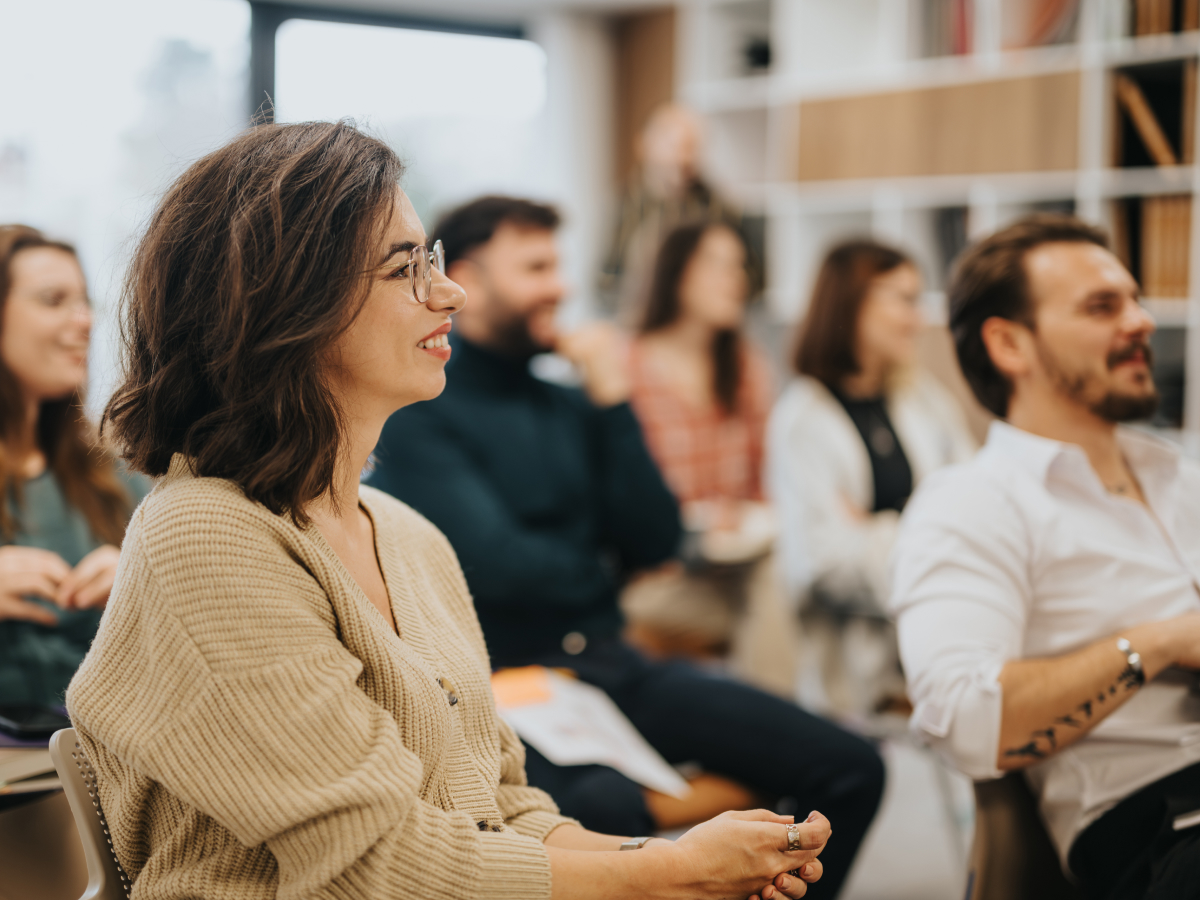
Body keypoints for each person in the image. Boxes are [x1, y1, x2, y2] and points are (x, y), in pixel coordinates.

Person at [67, 122, 832, 900]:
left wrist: (673, 863)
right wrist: (668, 871)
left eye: (430, 260)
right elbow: (376, 867)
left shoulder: (407, 536)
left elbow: (503, 807)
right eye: (407, 269)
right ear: (290, 304)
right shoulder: (206, 537)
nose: (450, 292)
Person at [369, 195, 884, 900]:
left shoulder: (572, 404)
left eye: (560, 265)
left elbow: (659, 537)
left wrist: (613, 400)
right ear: (471, 279)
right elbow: (493, 565)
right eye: (537, 267)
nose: (562, 287)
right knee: (602, 807)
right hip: (506, 682)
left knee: (850, 765)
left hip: (612, 663)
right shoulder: (422, 407)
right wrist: (602, 569)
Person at [890, 215, 1200, 899]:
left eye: (1135, 299)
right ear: (1008, 343)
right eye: (1102, 306)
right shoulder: (971, 503)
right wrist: (1166, 640)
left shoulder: (1179, 475)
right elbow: (964, 720)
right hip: (1162, 818)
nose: (1142, 321)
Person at [766, 240, 976, 715]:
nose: (918, 318)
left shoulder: (923, 398)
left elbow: (974, 508)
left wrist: (873, 531)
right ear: (853, 302)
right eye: (903, 300)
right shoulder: (803, 419)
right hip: (858, 656)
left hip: (942, 627)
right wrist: (928, 539)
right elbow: (820, 564)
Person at [623, 221, 794, 697]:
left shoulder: (745, 366)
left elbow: (768, 479)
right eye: (717, 265)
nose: (735, 279)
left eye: (739, 266)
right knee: (778, 608)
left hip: (738, 565)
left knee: (782, 581)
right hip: (658, 576)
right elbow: (617, 501)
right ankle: (780, 733)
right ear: (676, 274)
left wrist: (745, 516)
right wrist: (694, 524)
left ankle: (771, 731)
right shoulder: (626, 370)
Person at [0, 225, 145, 710]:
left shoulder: (110, 469)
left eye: (84, 301)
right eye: (53, 300)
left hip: (94, 758)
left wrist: (144, 575)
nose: (84, 320)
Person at [598, 104, 741, 325]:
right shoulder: (621, 206)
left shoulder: (719, 209)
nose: (683, 158)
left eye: (692, 148)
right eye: (675, 146)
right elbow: (603, 281)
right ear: (643, 146)